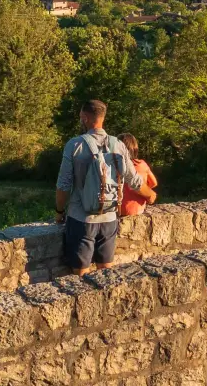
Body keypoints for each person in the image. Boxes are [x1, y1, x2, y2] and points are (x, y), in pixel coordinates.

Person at [54, 100, 144, 275]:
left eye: (81, 117)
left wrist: (59, 212)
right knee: (106, 274)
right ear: (102, 118)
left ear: (85, 118)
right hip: (110, 217)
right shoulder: (118, 144)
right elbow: (134, 180)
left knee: (81, 274)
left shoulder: (74, 145)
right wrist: (151, 195)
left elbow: (63, 185)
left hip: (82, 219)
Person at [118, 133, 158, 217]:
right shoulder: (142, 164)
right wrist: (143, 189)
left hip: (117, 209)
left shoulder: (114, 165)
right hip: (137, 209)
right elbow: (154, 183)